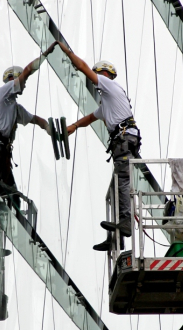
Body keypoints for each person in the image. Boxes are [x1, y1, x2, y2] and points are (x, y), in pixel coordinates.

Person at [57, 41, 141, 251]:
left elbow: (83, 68)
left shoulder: (110, 85)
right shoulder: (107, 104)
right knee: (116, 187)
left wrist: (67, 52)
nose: (97, 79)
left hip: (124, 142)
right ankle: (116, 238)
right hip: (122, 143)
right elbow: (91, 117)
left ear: (107, 74)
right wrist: (75, 126)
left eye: (99, 74)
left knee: (122, 181)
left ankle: (126, 223)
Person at [0, 42, 57, 207]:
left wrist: (50, 130)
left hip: (2, 153)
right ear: (12, 79)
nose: (25, 84)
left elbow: (37, 120)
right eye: (20, 78)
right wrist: (45, 55)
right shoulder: (4, 92)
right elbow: (29, 71)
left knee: (13, 198)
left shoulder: (15, 107)